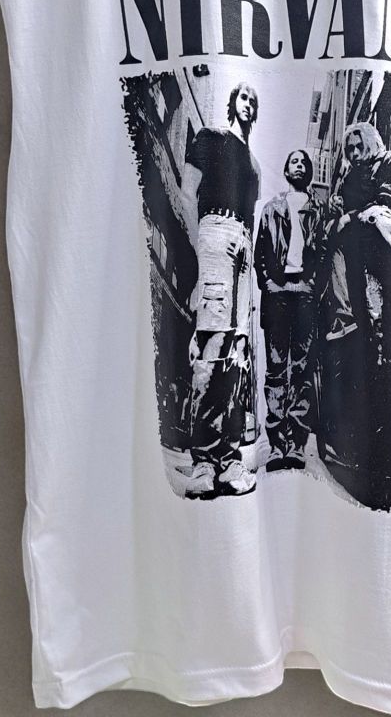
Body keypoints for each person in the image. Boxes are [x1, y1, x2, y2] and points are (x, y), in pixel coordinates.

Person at [177, 82, 261, 498]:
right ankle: (203, 462)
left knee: (237, 352)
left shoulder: (254, 165)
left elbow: (252, 217)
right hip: (215, 232)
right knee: (212, 343)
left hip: (243, 243)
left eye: (253, 100)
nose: (248, 104)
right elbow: (186, 193)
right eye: (243, 97)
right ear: (232, 103)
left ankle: (229, 460)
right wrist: (201, 254)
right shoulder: (210, 137)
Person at [253, 150, 327, 472]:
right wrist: (269, 284)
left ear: (309, 172)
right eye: (294, 161)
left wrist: (313, 285)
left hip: (305, 291)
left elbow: (324, 252)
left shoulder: (318, 210)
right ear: (285, 170)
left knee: (302, 367)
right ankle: (276, 446)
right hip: (278, 291)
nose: (299, 165)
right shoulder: (272, 209)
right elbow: (260, 253)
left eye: (303, 162)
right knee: (275, 368)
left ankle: (296, 444)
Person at [324, 122, 391, 343]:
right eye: (350, 149)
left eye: (358, 146)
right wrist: (337, 206)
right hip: (363, 239)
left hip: (389, 226)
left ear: (369, 143)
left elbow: (387, 199)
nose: (354, 153)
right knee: (335, 236)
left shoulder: (389, 161)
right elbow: (345, 213)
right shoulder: (349, 177)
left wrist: (350, 215)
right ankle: (344, 315)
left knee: (374, 214)